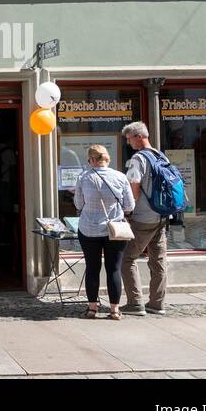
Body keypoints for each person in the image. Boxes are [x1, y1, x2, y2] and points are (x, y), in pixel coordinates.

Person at [72, 143, 134, 320]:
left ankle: (92, 308)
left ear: (91, 159)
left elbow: (78, 204)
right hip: (114, 230)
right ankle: (114, 310)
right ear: (107, 158)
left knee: (92, 268)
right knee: (114, 269)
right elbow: (129, 206)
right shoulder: (120, 177)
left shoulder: (84, 177)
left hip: (89, 229)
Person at [121, 120, 170, 315]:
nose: (128, 143)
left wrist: (128, 210)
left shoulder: (138, 159)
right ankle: (157, 304)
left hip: (143, 217)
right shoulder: (160, 155)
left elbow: (134, 184)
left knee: (126, 258)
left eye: (129, 138)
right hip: (162, 215)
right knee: (158, 261)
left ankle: (135, 303)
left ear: (139, 137)